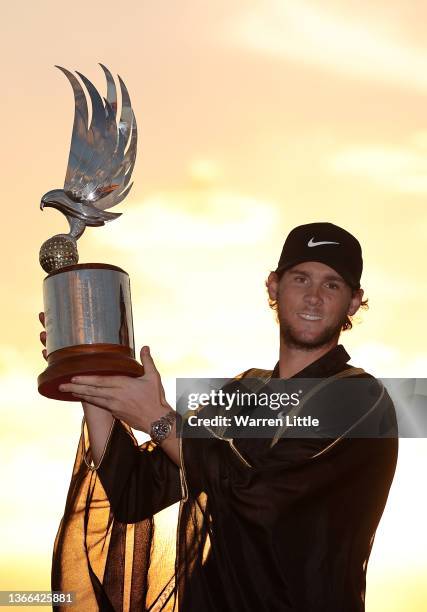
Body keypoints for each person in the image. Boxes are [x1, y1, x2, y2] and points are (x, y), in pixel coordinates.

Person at [42, 222, 398, 611]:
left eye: (332, 285)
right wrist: (92, 372)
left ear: (352, 302)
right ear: (274, 287)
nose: (314, 297)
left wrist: (159, 420)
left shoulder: (362, 400)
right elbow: (135, 491)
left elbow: (259, 496)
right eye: (301, 279)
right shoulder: (244, 395)